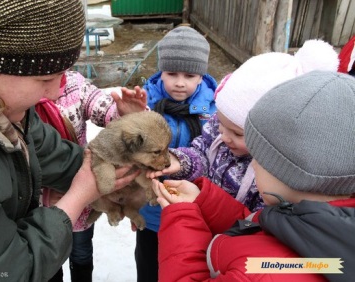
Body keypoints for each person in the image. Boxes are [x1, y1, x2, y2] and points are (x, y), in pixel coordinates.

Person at [0, 1, 139, 281]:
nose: (54, 94)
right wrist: (78, 197)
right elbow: (8, 272)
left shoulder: (3, 109)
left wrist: (120, 177)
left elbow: (48, 151)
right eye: (45, 78)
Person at [152, 70, 355, 281]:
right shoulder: (300, 218)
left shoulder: (270, 271)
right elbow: (255, 227)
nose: (253, 164)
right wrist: (202, 201)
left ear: (289, 172)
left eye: (259, 157)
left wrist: (181, 219)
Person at [148, 39, 339, 212]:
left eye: (238, 133)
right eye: (221, 125)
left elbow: (255, 224)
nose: (223, 136)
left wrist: (204, 204)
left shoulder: (274, 182)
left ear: (273, 138)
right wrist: (179, 160)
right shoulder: (218, 128)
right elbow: (202, 152)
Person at [36, 70, 147, 281]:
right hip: (38, 206)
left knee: (81, 252)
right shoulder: (20, 101)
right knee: (48, 262)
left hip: (83, 196)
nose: (53, 86)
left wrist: (126, 116)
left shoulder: (73, 85)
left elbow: (102, 107)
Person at [136, 25, 218, 282]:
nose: (180, 83)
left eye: (190, 75)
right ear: (161, 70)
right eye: (171, 73)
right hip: (151, 211)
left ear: (201, 75)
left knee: (185, 269)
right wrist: (132, 206)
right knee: (149, 268)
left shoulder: (215, 110)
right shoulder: (145, 105)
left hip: (195, 211)